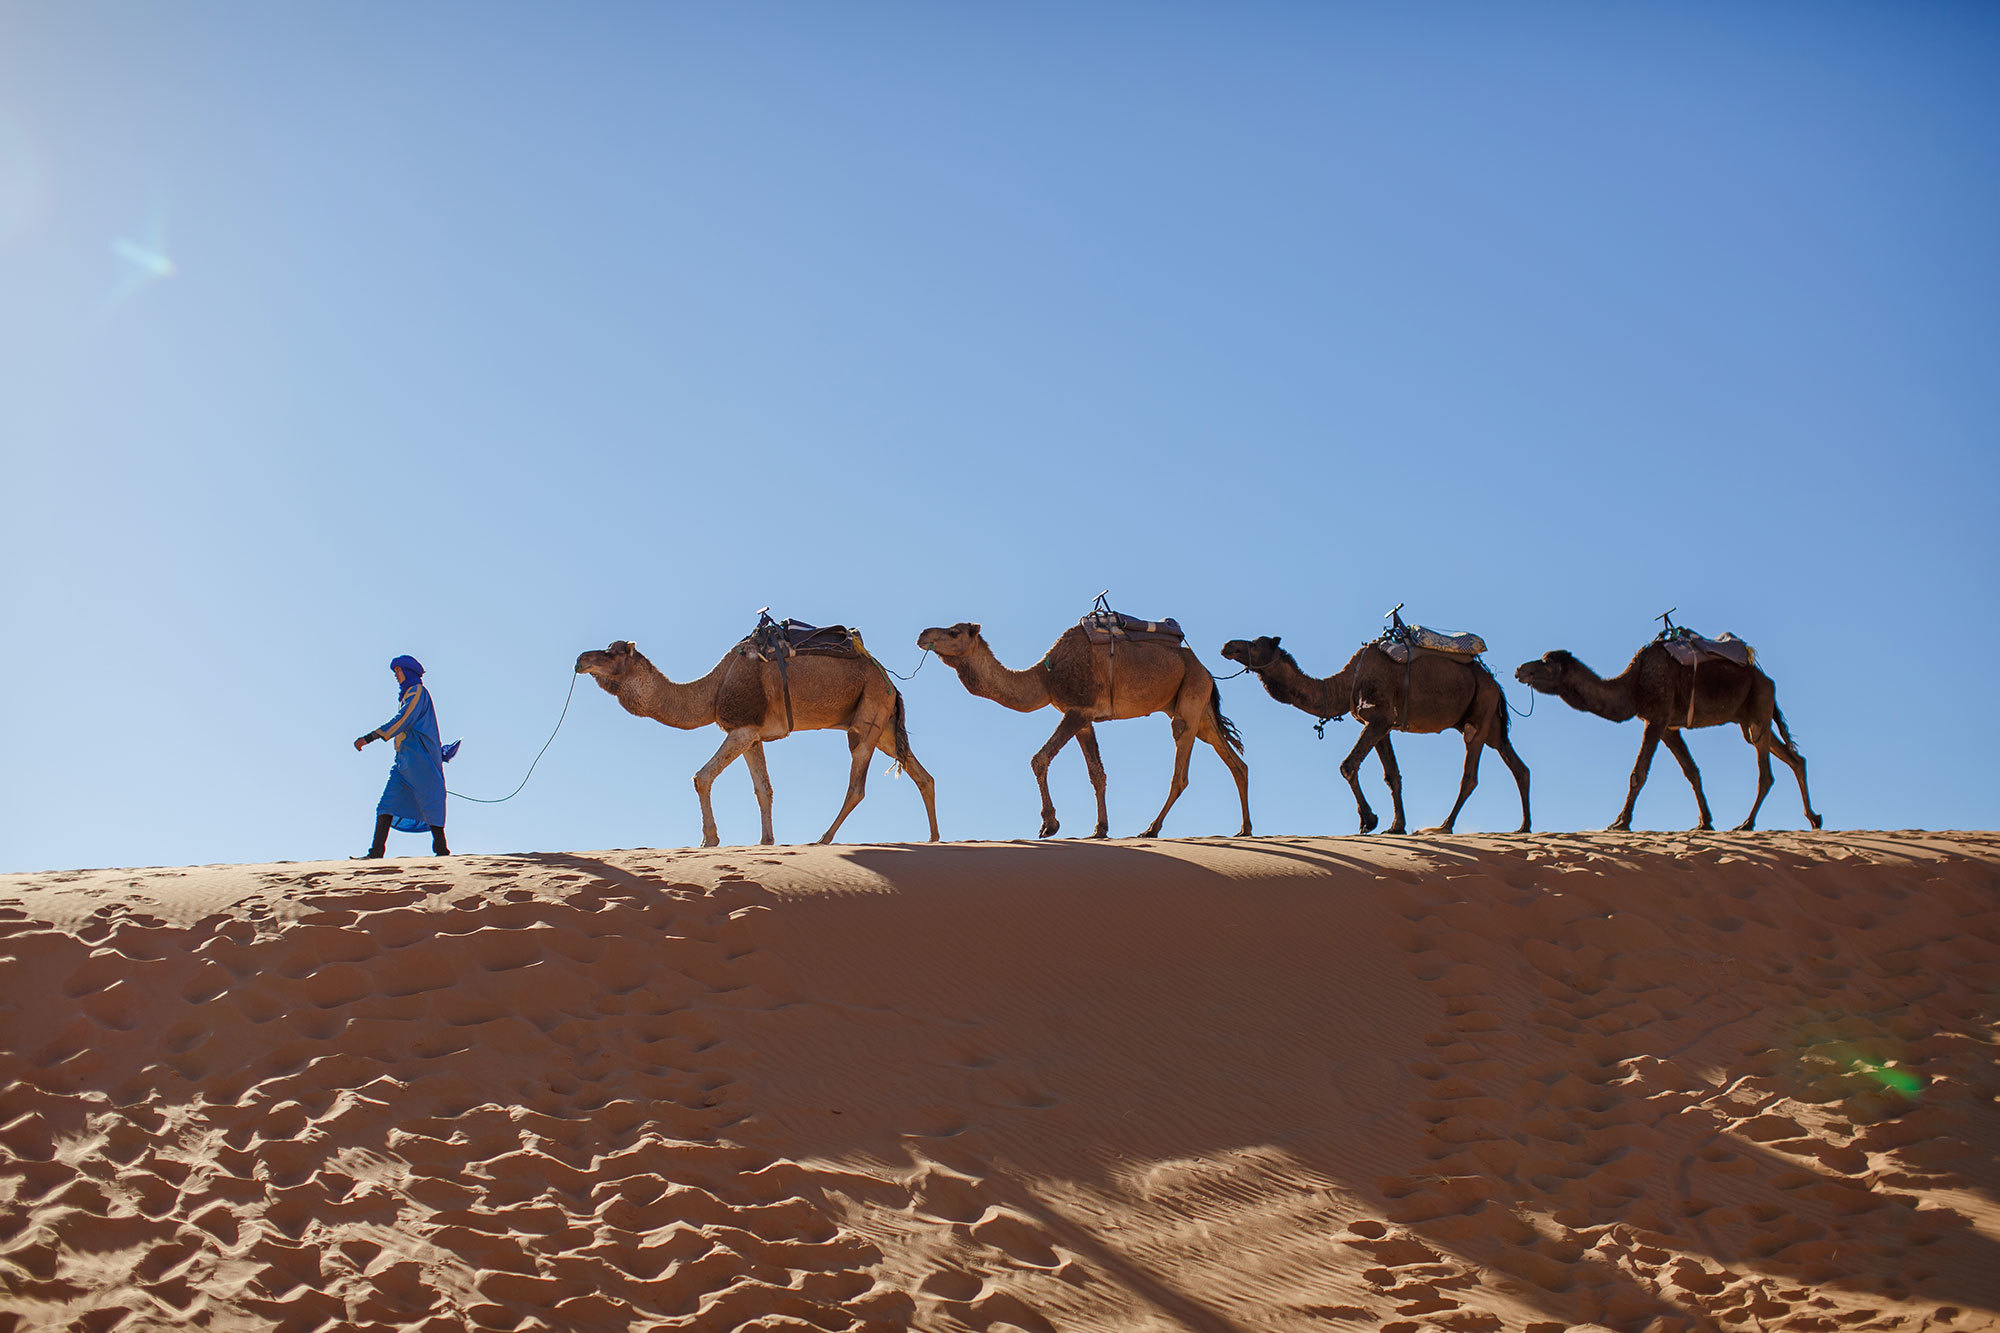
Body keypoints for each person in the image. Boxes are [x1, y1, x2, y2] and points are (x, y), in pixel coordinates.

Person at [355, 655, 450, 857]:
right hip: (403, 763)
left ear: (408, 671)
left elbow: (403, 720)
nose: (396, 675)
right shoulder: (407, 695)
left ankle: (442, 851)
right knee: (386, 804)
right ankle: (375, 852)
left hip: (421, 762)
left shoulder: (417, 692)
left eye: (398, 671)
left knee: (430, 803)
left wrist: (370, 737)